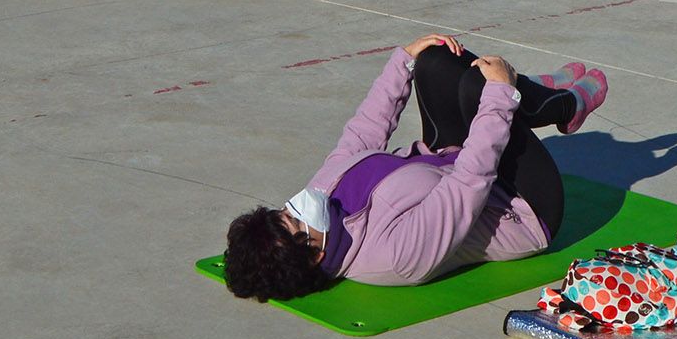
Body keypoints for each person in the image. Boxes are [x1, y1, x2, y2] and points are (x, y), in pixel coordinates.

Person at [221, 34, 609, 300]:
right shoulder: (395, 257)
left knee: (434, 60)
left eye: (282, 211)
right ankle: (562, 104)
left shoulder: (321, 213)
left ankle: (533, 94)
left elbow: (362, 135)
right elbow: (468, 186)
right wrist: (500, 97)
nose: (295, 206)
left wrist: (402, 62)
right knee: (481, 90)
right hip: (521, 205)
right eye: (291, 220)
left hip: (445, 156)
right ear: (316, 256)